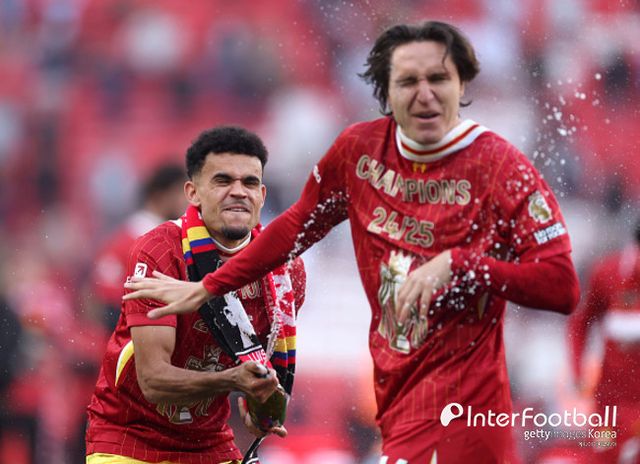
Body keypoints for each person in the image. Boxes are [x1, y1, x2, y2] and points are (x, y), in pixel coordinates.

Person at [124, 21, 579, 463]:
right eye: (408, 81)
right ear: (385, 92)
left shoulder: (499, 166)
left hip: (468, 407)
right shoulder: (359, 153)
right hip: (396, 398)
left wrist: (460, 265)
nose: (424, 93)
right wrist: (209, 286)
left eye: (438, 78)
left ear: (461, 84)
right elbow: (295, 228)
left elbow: (561, 286)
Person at [86, 126, 306, 464]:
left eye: (249, 183)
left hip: (208, 442)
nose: (238, 192)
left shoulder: (285, 272)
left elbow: (257, 368)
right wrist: (234, 380)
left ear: (262, 195)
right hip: (129, 435)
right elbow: (153, 381)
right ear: (193, 193)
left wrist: (261, 405)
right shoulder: (160, 250)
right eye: (222, 181)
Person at [568, 221, 640, 464]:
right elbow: (580, 322)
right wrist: (577, 370)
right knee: (603, 455)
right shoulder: (608, 273)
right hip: (610, 406)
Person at [92, 163, 188, 330]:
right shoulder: (138, 241)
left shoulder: (131, 236)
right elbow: (107, 304)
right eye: (180, 192)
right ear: (161, 195)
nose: (186, 201)